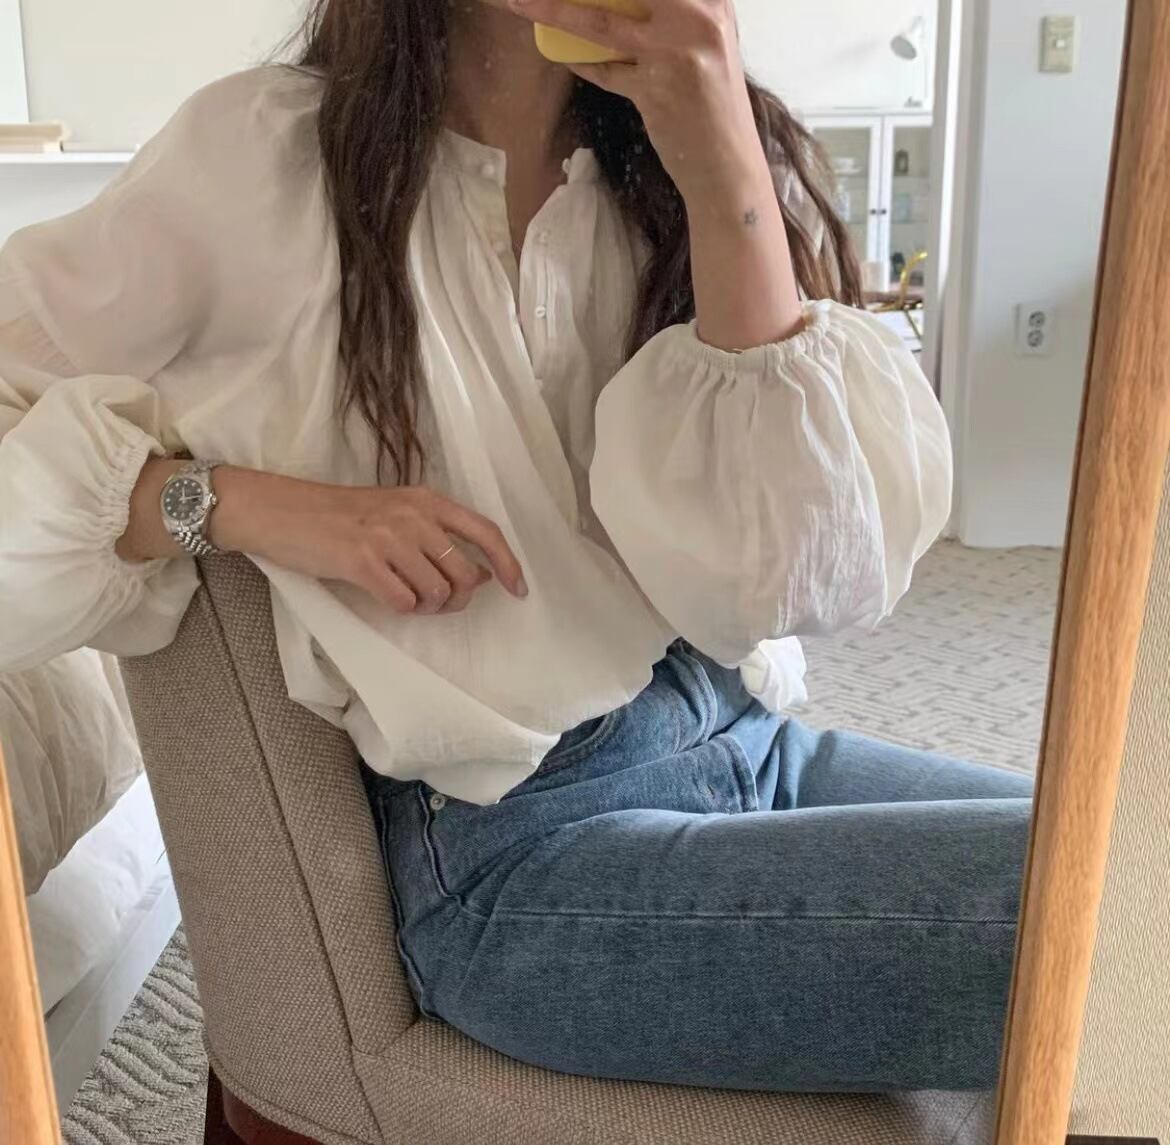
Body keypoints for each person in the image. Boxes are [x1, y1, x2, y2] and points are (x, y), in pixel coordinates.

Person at [0, 0, 1032, 1093]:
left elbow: (806, 578)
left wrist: (726, 163)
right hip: (516, 848)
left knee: (1121, 865)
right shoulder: (260, 157)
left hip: (738, 737)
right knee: (1089, 922)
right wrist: (244, 502)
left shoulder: (673, 160)